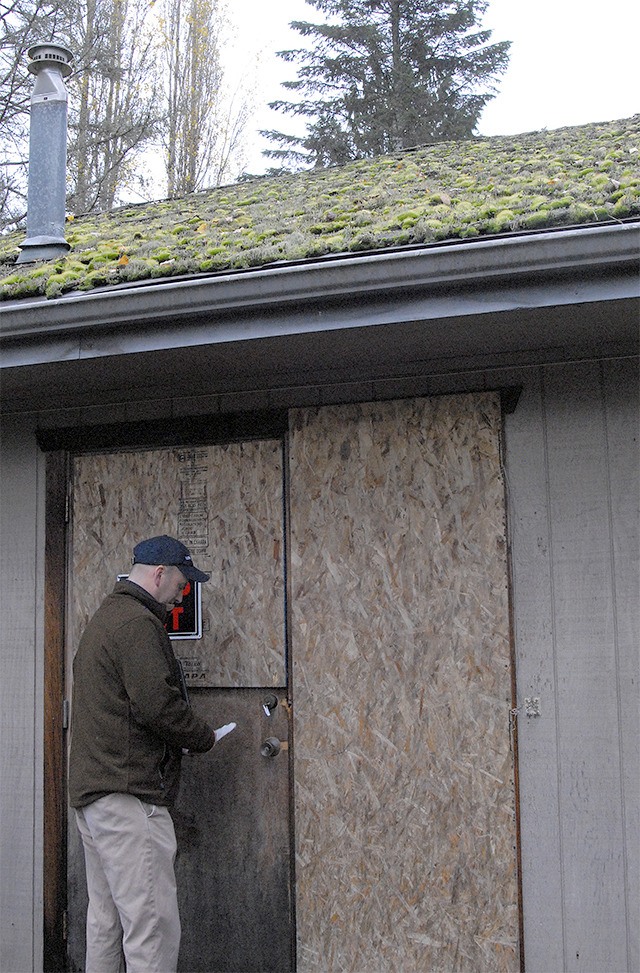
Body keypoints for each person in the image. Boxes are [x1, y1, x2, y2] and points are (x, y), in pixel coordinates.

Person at [68, 535, 236, 973]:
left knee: (106, 924)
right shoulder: (137, 624)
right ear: (159, 574)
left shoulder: (106, 618)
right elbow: (157, 704)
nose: (183, 593)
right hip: (129, 799)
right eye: (182, 583)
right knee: (152, 931)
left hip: (96, 797)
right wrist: (204, 736)